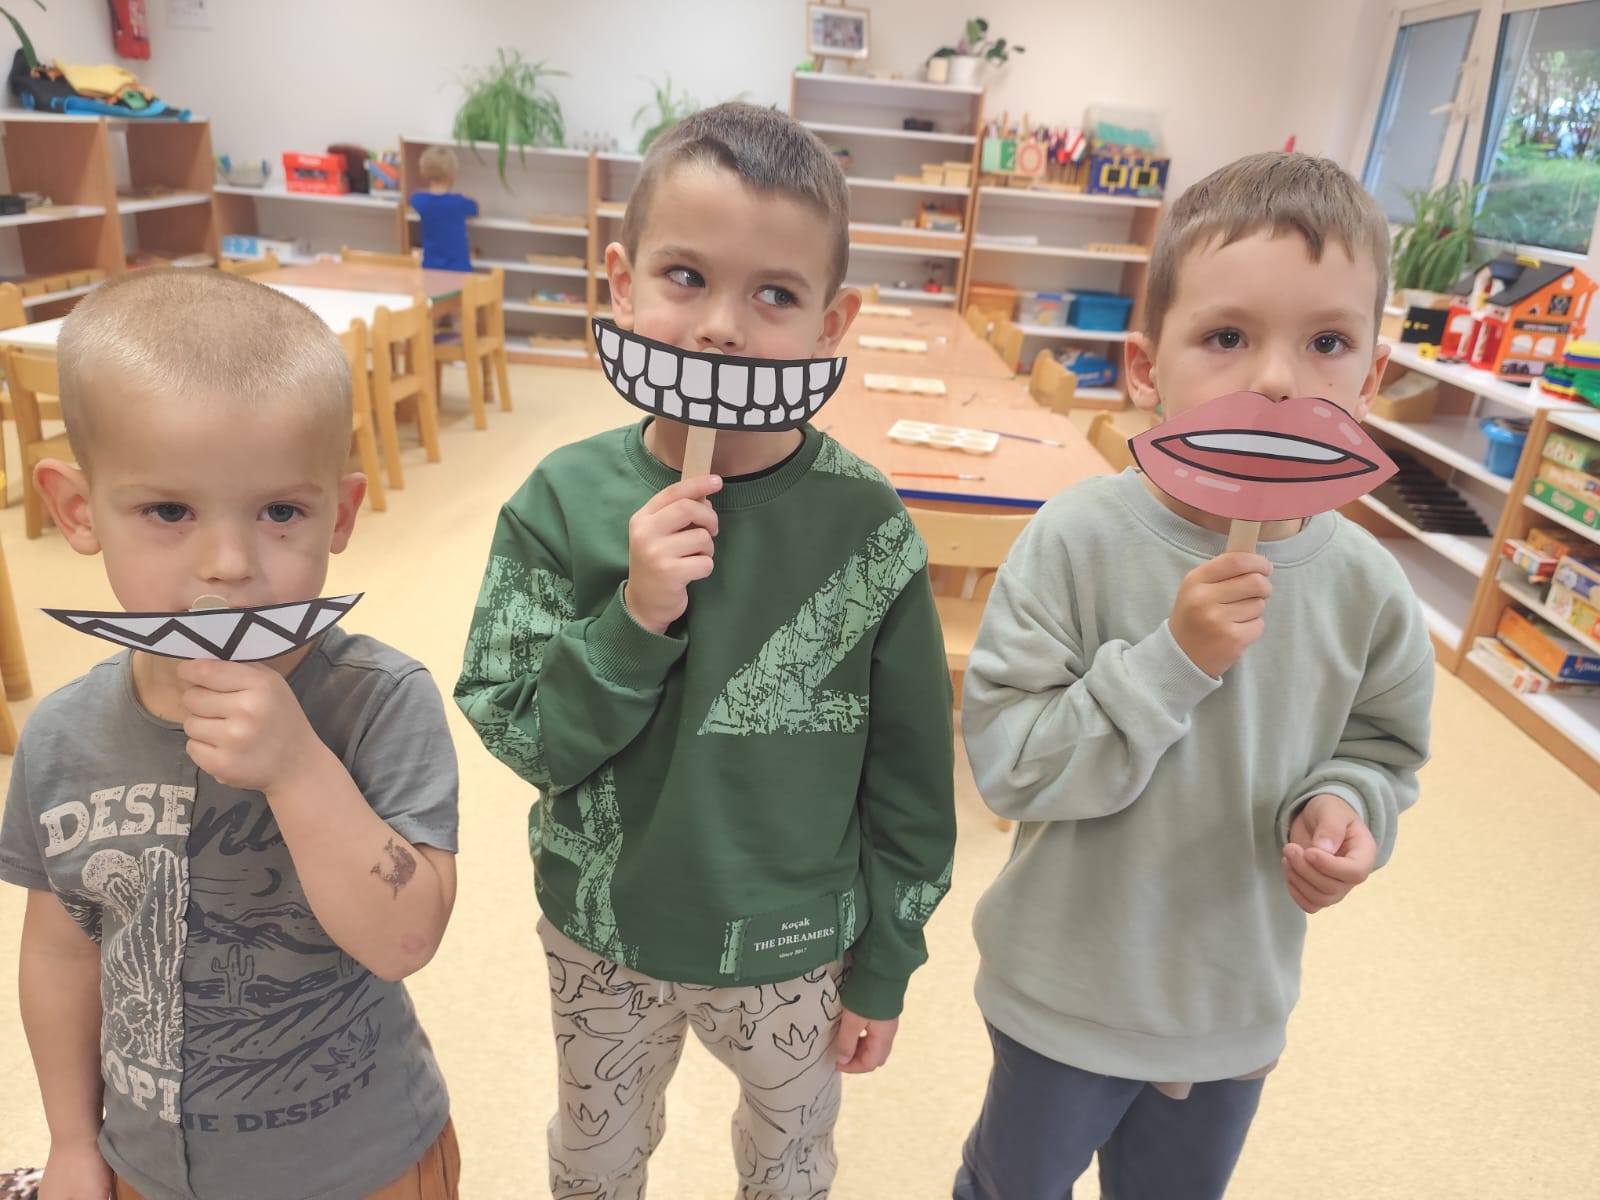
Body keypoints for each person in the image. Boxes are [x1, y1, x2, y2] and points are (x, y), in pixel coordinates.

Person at [455, 103, 957, 1199]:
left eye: (774, 294)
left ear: (832, 322)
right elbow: (520, 732)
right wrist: (631, 619)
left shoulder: (867, 526)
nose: (722, 327)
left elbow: (914, 773)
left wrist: (886, 961)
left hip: (792, 945)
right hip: (604, 931)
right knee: (594, 1160)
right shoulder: (560, 501)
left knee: (789, 1164)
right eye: (686, 276)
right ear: (622, 283)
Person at [953, 151, 1435, 1200]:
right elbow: (1010, 768)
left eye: (1326, 342)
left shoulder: (1369, 588)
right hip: (1063, 991)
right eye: (1226, 337)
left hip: (1231, 1002)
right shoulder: (1075, 539)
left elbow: (1381, 752)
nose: (1277, 380)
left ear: (1371, 376)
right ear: (1146, 366)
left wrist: (1345, 808)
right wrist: (1172, 664)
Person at [2, 270, 462, 1200]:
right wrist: (73, 1141)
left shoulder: (380, 701)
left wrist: (298, 769)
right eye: (168, 511)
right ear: (78, 511)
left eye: (280, 512)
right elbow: (60, 952)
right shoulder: (61, 736)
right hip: (143, 1165)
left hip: (368, 1165)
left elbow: (407, 937)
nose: (228, 565)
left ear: (338, 513)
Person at [410, 145, 477, 272]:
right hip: (458, 270)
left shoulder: (420, 200)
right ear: (452, 173)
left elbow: (413, 199)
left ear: (424, 171)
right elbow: (475, 208)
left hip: (431, 269)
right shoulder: (459, 202)